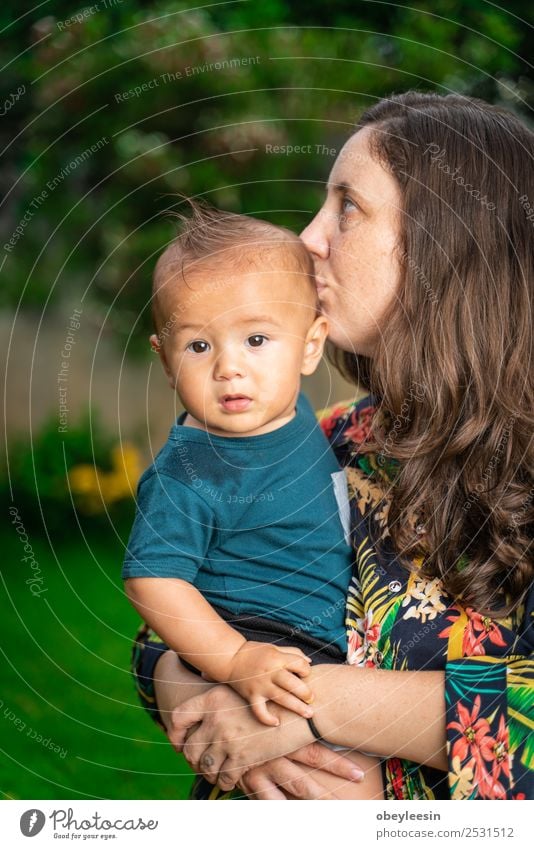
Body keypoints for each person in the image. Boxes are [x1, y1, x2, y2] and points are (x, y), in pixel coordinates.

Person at [131, 91, 533, 800]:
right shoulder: (326, 439)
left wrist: (305, 703)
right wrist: (196, 686)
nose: (309, 237)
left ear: (449, 240)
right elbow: (181, 608)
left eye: (347, 206)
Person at [124, 205, 385, 798]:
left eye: (257, 339)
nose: (228, 367)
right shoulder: (189, 470)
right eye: (198, 346)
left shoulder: (300, 422)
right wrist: (236, 659)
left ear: (310, 345)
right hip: (255, 638)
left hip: (320, 646)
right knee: (341, 789)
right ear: (165, 360)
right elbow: (152, 582)